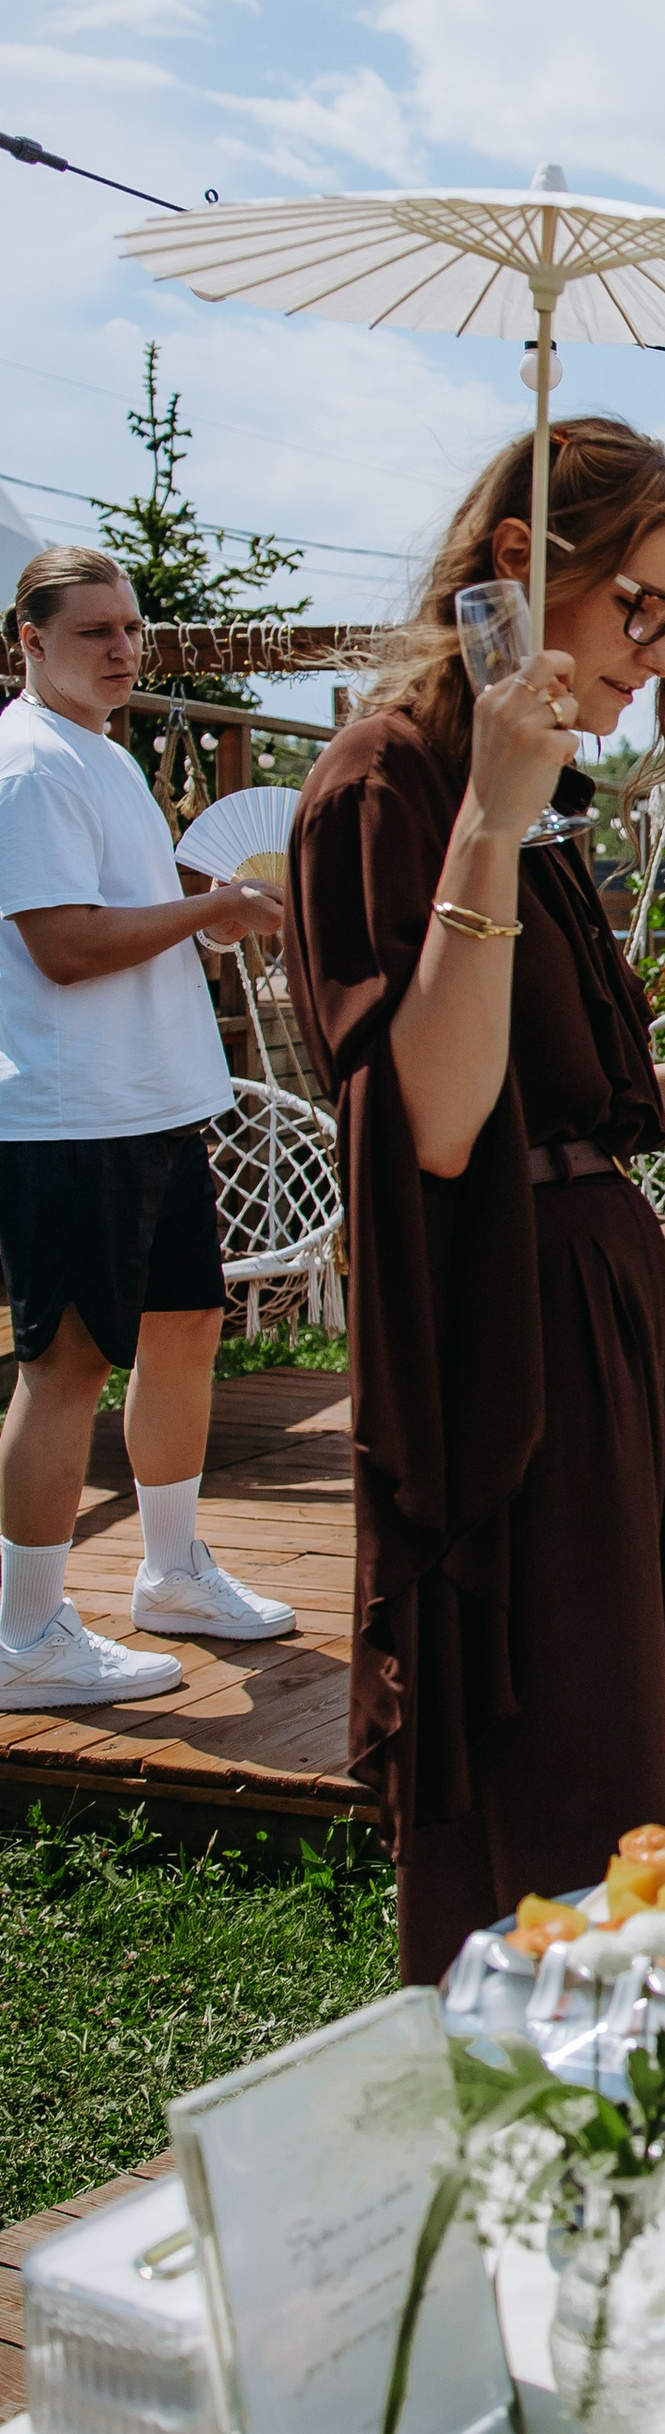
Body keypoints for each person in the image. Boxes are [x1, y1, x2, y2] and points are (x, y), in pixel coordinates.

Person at [285, 417, 665, 1982]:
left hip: (612, 1326)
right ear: (518, 570)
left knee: (656, 1745)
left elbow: (564, 1108)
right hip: (506, 1350)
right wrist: (490, 810)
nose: (658, 656)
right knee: (564, 1767)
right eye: (640, 609)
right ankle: (548, 2107)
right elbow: (440, 1115)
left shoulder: (537, 796)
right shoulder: (388, 786)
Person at [0, 547, 302, 1708]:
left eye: (131, 630)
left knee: (184, 1333)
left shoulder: (105, 753)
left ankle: (172, 1570)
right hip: (72, 1116)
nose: (124, 650)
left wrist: (204, 920)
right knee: (63, 1366)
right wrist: (212, 905)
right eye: (95, 633)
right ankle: (25, 1629)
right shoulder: (30, 762)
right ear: (28, 640)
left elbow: (130, 916)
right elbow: (66, 946)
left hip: (160, 1101)